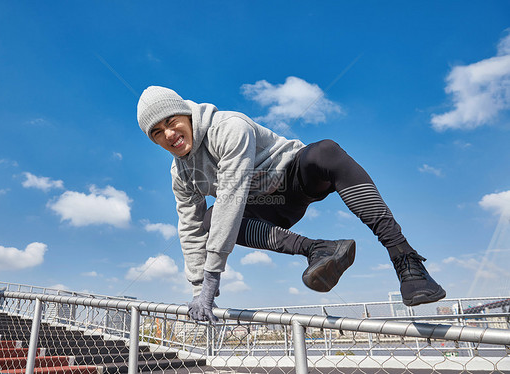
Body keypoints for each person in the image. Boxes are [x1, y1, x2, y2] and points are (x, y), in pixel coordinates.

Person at [137, 86, 446, 323]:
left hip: (292, 176)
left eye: (171, 121)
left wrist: (212, 279)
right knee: (207, 221)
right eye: (157, 133)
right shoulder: (180, 175)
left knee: (326, 151)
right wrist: (199, 292)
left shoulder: (228, 127)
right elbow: (189, 229)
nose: (169, 134)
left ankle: (406, 260)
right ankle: (318, 249)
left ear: (185, 115)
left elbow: (231, 194)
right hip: (265, 205)